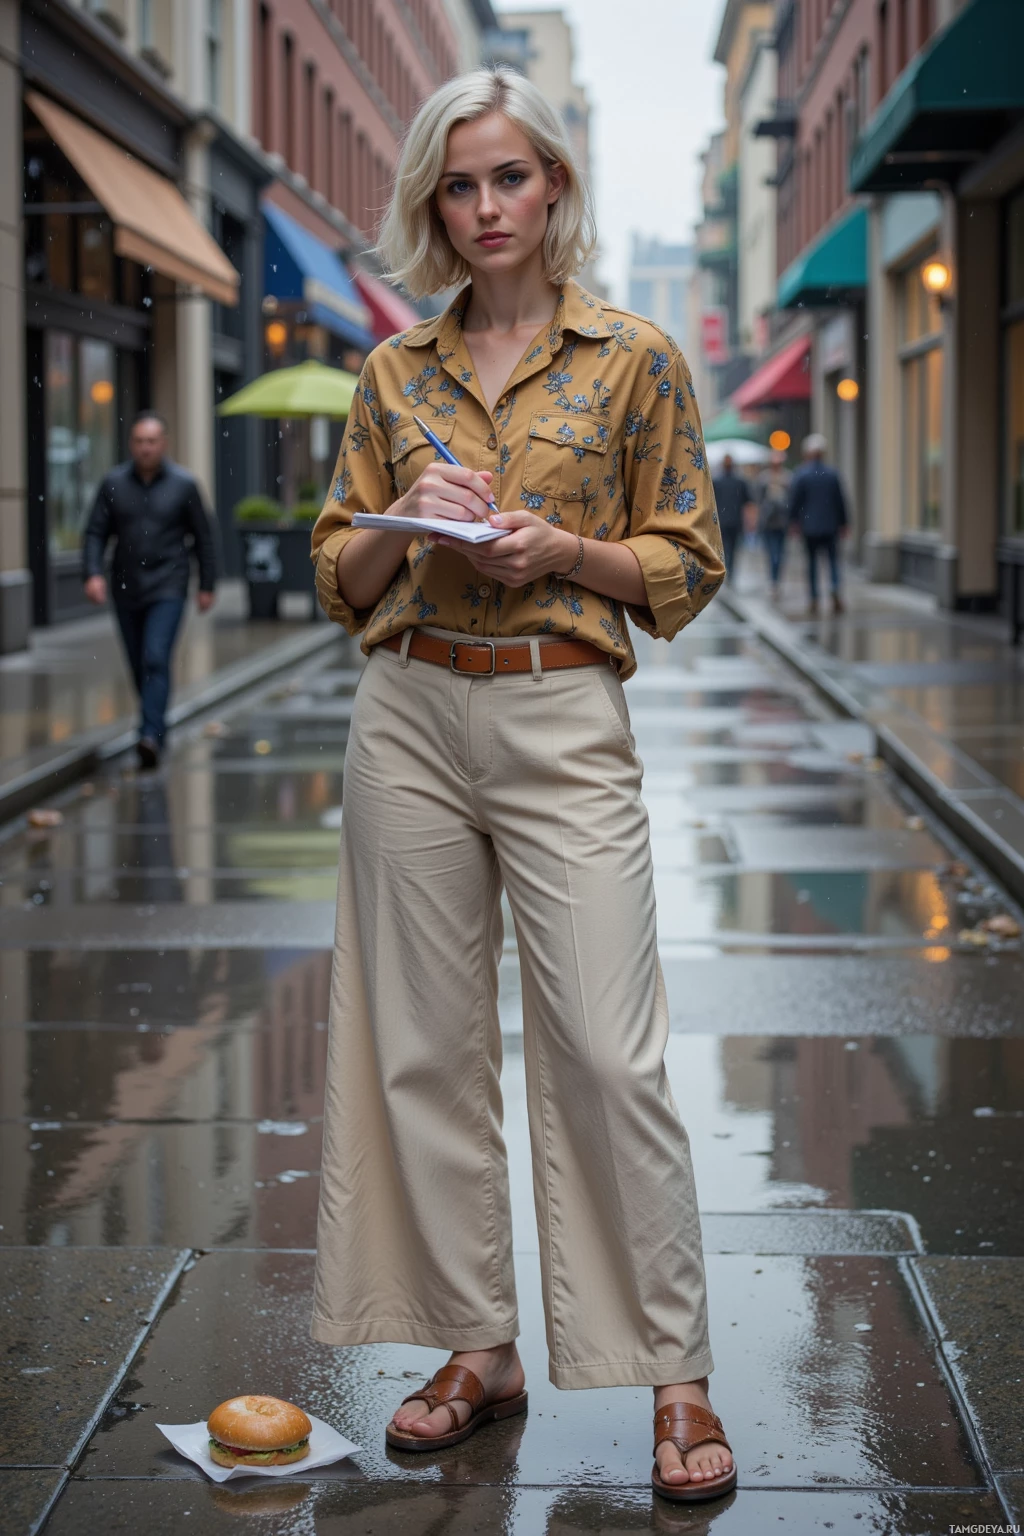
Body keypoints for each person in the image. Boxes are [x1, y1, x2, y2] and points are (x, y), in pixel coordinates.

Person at [309, 66, 736, 1507]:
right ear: (434, 201)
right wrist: (405, 523)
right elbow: (335, 570)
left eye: (510, 177)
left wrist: (563, 556)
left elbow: (686, 563)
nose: (486, 207)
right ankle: (474, 1349)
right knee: (423, 1049)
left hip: (560, 712)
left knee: (610, 1054)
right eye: (459, 183)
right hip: (410, 710)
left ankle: (675, 1376)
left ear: (554, 186)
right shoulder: (395, 371)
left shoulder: (635, 358)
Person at [83, 411, 217, 769]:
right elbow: (96, 531)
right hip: (125, 587)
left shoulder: (184, 485)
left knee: (155, 657)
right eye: (139, 441)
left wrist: (207, 584)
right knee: (137, 661)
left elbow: (204, 537)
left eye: (151, 441)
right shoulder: (113, 484)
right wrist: (92, 572)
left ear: (164, 443)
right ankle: (155, 728)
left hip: (168, 585)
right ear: (131, 444)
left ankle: (148, 735)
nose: (145, 448)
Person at [788, 432, 849, 616]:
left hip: (810, 527)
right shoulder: (832, 474)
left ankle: (814, 597)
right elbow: (841, 501)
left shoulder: (801, 474)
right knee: (832, 561)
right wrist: (844, 523)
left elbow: (794, 501)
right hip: (830, 526)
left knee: (812, 563)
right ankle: (835, 588)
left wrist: (793, 522)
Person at [711, 452, 753, 580]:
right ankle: (730, 572)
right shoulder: (740, 481)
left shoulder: (717, 481)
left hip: (721, 522)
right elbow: (748, 502)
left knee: (723, 549)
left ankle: (725, 570)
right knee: (733, 549)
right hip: (735, 521)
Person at [756, 449, 791, 600]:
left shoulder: (787, 478)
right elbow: (759, 501)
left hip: (782, 524)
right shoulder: (764, 479)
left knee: (779, 554)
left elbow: (791, 501)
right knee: (772, 554)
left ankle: (776, 580)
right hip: (769, 524)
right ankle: (773, 581)